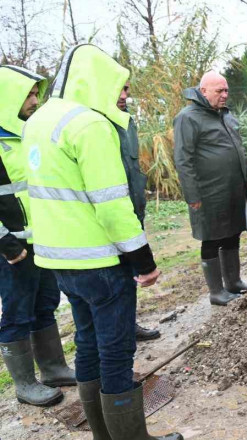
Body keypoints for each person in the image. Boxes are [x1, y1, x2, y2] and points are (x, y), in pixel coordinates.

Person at [24, 44, 181, 440]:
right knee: (116, 351)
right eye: (118, 87)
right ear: (95, 81)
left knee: (88, 344)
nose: (122, 95)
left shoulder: (40, 119)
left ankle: (102, 435)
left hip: (60, 262)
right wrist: (143, 261)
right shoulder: (89, 125)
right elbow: (112, 205)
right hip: (100, 263)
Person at [0, 65, 76, 407]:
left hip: (42, 238)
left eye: (35, 94)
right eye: (28, 95)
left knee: (45, 304)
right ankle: (24, 384)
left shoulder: (27, 133)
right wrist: (6, 243)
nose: (35, 101)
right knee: (17, 312)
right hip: (12, 246)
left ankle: (54, 368)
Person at [173, 71, 247, 307]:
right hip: (208, 191)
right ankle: (216, 291)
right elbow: (183, 159)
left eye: (226, 90)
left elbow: (238, 148)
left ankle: (233, 282)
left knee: (233, 232)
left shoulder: (224, 115)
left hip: (233, 187)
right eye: (219, 91)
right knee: (211, 238)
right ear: (203, 91)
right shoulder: (188, 118)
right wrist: (191, 194)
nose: (225, 95)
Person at [115, 81, 161, 342]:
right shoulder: (96, 126)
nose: (124, 96)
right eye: (118, 89)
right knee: (113, 284)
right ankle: (119, 332)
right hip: (112, 215)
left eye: (127, 89)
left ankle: (129, 324)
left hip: (131, 210)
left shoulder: (126, 122)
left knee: (128, 275)